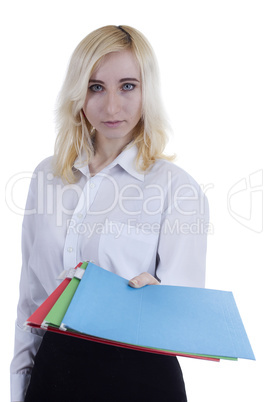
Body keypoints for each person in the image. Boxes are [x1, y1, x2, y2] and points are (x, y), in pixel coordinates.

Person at [10, 25, 209, 402]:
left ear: (147, 90)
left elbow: (184, 314)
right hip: (53, 375)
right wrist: (19, 388)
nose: (112, 107)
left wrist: (158, 299)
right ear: (78, 93)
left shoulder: (176, 187)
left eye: (128, 86)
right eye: (96, 87)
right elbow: (31, 301)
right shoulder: (48, 177)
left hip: (138, 378)